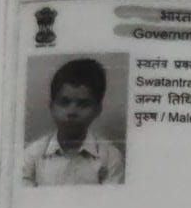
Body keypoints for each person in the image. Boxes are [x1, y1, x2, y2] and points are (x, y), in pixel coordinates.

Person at [22, 57, 124, 186]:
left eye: (83, 104)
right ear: (51, 106)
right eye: (64, 102)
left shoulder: (110, 157)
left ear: (97, 110)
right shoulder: (32, 155)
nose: (72, 112)